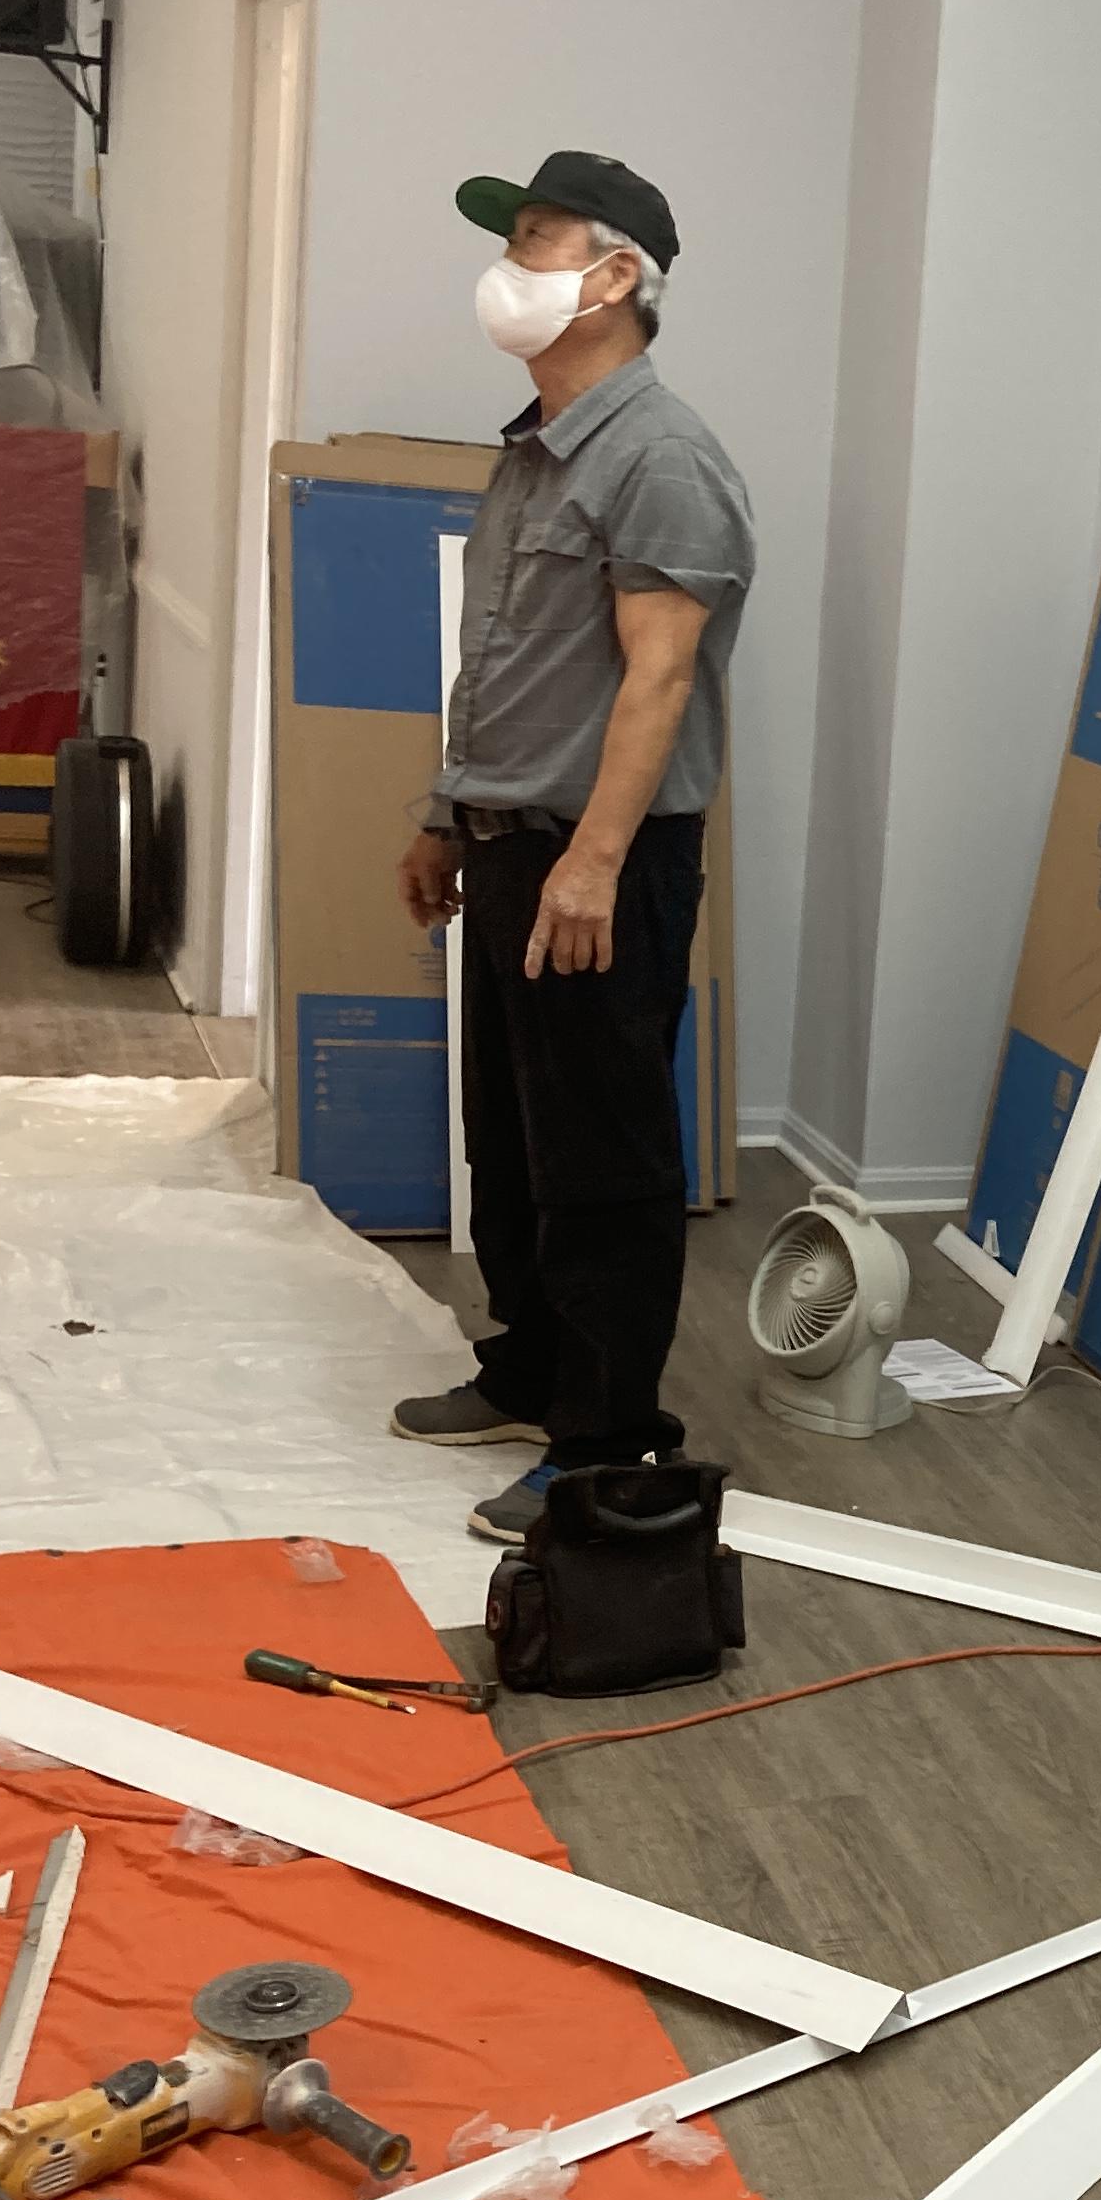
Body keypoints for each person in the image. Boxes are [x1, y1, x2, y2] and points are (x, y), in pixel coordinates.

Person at [387, 152, 755, 1546]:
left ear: (614, 278)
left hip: (600, 860)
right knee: (514, 1138)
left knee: (602, 1155)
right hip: (509, 844)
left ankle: (609, 1440)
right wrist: (446, 815)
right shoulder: (538, 449)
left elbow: (659, 679)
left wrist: (592, 862)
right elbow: (506, 662)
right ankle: (532, 1370)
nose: (509, 265)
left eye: (537, 240)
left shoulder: (662, 459)